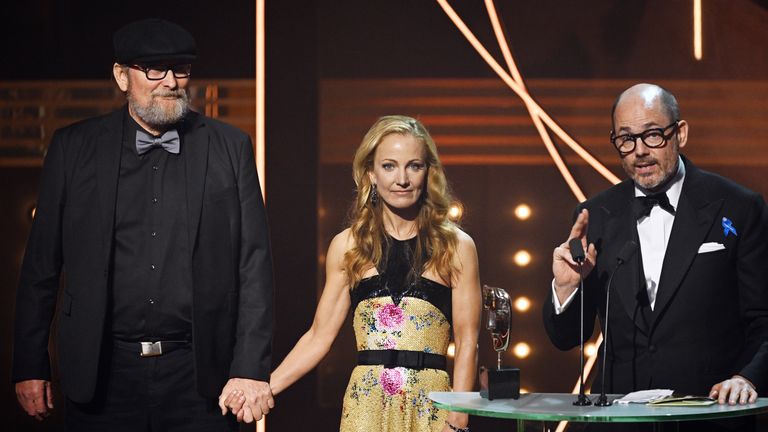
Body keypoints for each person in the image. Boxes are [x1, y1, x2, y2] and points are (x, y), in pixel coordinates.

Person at [12, 18, 274, 431]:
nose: (169, 81)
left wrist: (251, 367)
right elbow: (41, 265)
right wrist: (29, 364)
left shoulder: (229, 146)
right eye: (154, 69)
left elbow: (253, 265)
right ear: (121, 76)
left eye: (180, 68)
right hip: (100, 374)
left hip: (200, 376)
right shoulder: (72, 147)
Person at [225, 115, 481, 431]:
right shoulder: (348, 246)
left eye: (414, 165)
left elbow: (468, 341)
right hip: (366, 408)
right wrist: (263, 388)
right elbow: (318, 338)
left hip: (432, 408)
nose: (402, 178)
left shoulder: (457, 246)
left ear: (429, 172)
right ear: (371, 173)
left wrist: (458, 418)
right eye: (389, 166)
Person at [543, 83, 768, 424]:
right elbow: (565, 339)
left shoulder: (739, 207)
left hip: (708, 415)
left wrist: (747, 377)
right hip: (618, 421)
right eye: (626, 139)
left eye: (652, 135)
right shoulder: (596, 215)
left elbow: (763, 319)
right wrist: (566, 289)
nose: (639, 151)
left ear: (680, 133)